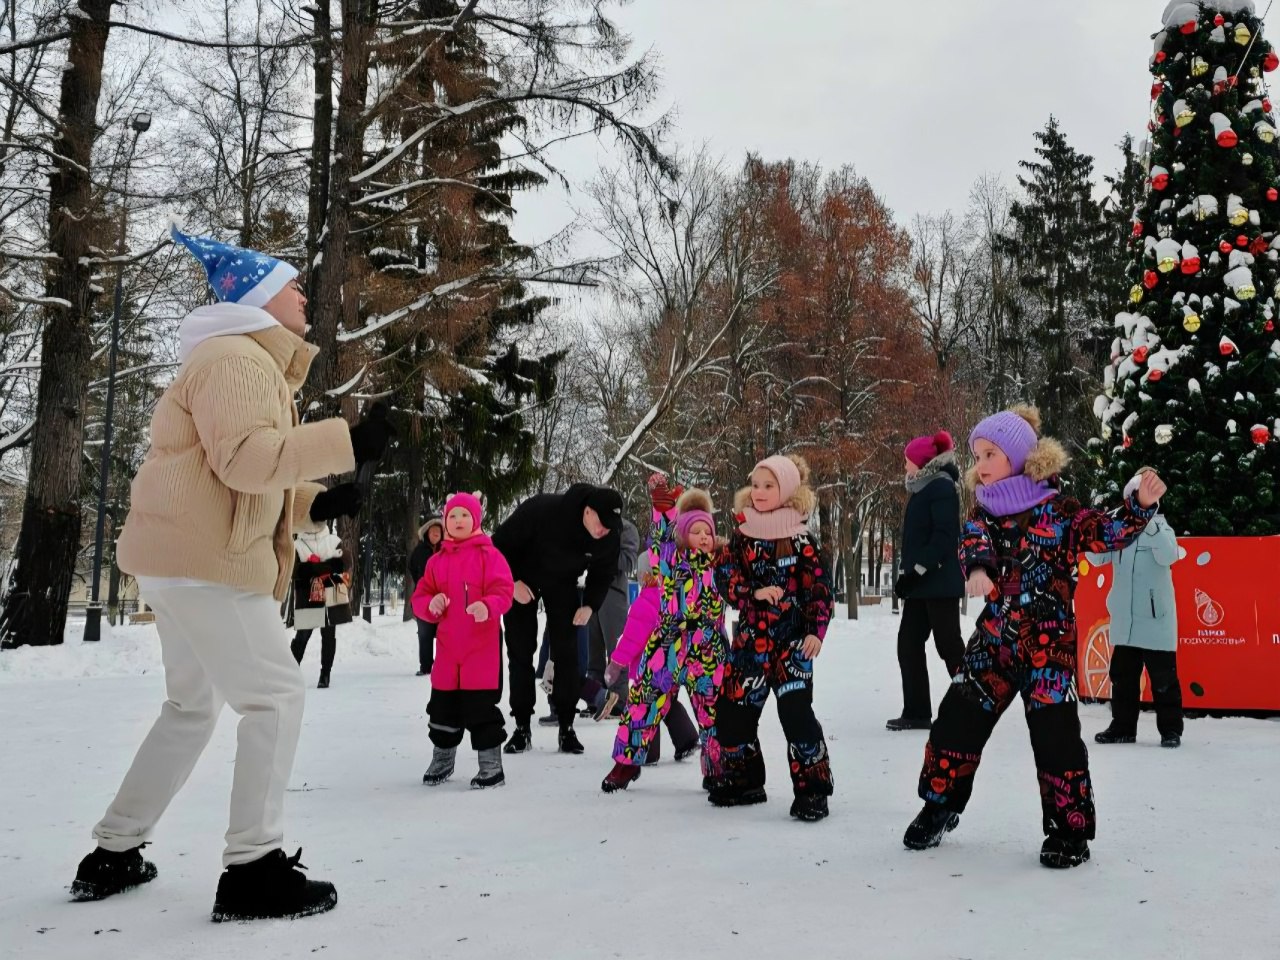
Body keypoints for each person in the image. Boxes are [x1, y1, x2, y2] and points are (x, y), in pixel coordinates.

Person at [70, 226, 389, 921]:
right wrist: (347, 441)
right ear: (258, 298)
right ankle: (254, 867)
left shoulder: (238, 363)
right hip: (206, 566)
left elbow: (236, 475)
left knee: (191, 710)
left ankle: (114, 850)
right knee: (275, 696)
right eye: (292, 284)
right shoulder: (238, 360)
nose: (304, 294)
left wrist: (316, 502)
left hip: (182, 559)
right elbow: (247, 460)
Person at [902, 405, 1166, 870]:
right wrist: (980, 569)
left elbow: (1104, 531)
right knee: (955, 721)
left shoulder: (1059, 511)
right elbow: (972, 543)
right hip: (994, 642)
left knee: (1056, 737)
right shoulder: (982, 511)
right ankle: (939, 805)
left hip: (1049, 647)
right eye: (976, 454)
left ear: (1022, 459)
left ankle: (1069, 831)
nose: (979, 465)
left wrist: (1139, 506)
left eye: (990, 454)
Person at [713, 454, 834, 822]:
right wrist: (752, 591)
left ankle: (813, 791)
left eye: (769, 486)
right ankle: (746, 781)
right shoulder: (741, 535)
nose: (760, 492)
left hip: (792, 645)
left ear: (786, 492)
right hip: (750, 644)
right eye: (756, 484)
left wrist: (816, 630)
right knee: (733, 715)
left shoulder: (800, 539)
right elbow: (725, 578)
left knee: (796, 717)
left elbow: (819, 589)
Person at [601, 477, 726, 793]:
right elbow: (659, 543)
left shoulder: (723, 564)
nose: (702, 537)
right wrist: (663, 509)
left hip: (707, 648)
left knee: (713, 711)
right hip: (667, 643)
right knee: (643, 702)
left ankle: (716, 769)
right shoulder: (671, 561)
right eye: (694, 531)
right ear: (683, 535)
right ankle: (626, 764)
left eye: (707, 532)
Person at [492, 484, 623, 755]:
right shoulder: (542, 510)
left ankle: (566, 726)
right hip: (521, 577)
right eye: (601, 523)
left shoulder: (609, 533)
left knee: (567, 651)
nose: (604, 531)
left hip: (562, 581)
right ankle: (521, 726)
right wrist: (511, 582)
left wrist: (590, 605)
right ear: (588, 512)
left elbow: (605, 570)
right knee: (520, 649)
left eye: (610, 526)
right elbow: (497, 546)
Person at [413, 493, 514, 788]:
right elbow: (420, 597)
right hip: (447, 652)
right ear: (445, 522)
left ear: (475, 520)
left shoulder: (489, 555)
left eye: (464, 516)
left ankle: (490, 764)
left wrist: (488, 605)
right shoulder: (436, 561)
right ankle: (442, 759)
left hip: (480, 652)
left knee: (480, 708)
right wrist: (430, 605)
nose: (458, 521)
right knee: (442, 707)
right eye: (452, 516)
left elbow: (504, 590)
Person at [1090, 468, 1183, 748]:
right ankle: (1123, 727)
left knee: (1164, 680)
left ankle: (1170, 731)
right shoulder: (1120, 529)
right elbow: (1097, 560)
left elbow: (1169, 554)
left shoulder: (1162, 527)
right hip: (1126, 622)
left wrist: (1149, 522)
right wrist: (1094, 531)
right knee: (1122, 678)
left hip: (1156, 621)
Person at [887, 430, 965, 731]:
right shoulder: (924, 488)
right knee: (908, 644)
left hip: (939, 582)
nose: (905, 467)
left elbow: (944, 537)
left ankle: (973, 704)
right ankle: (917, 712)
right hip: (922, 583)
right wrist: (909, 575)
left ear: (922, 463)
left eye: (907, 461)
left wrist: (917, 569)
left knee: (949, 646)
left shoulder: (941, 488)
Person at [290, 520, 352, 688]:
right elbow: (291, 570)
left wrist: (314, 568)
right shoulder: (297, 544)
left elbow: (346, 562)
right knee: (302, 636)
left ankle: (325, 674)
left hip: (330, 595)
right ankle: (289, 674)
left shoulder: (333, 540)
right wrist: (324, 567)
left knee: (328, 635)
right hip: (307, 596)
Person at [588, 518, 640, 712]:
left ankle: (619, 700)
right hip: (590, 591)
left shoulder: (625, 529)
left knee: (615, 649)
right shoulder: (589, 525)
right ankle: (596, 697)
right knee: (593, 650)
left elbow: (629, 563)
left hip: (613, 592)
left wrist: (601, 552)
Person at [409, 516, 445, 676]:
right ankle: (425, 666)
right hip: (424, 597)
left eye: (438, 531)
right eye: (433, 531)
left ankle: (444, 665)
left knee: (445, 633)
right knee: (425, 633)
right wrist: (422, 584)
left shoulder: (447, 550)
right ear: (427, 534)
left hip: (444, 597)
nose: (436, 534)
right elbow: (412, 568)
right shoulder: (419, 551)